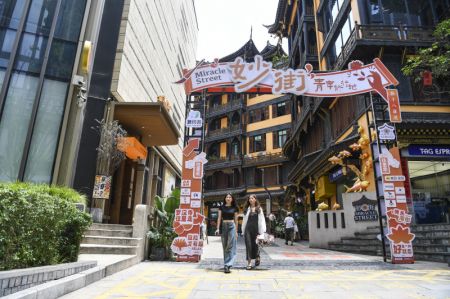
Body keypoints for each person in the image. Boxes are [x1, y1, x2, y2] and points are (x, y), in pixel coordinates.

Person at [242, 194, 266, 270]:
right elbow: (244, 221)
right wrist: (243, 231)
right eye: (249, 198)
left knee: (256, 245)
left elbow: (262, 220)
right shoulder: (247, 209)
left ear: (255, 199)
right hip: (247, 230)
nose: (250, 199)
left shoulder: (259, 209)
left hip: (256, 230)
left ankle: (257, 257)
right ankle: (249, 263)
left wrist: (262, 232)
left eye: (252, 198)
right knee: (248, 246)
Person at [215, 193, 238, 273]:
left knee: (230, 245)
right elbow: (219, 218)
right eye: (227, 197)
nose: (228, 198)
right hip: (224, 226)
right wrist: (217, 228)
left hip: (232, 226)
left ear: (232, 199)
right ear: (225, 199)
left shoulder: (235, 208)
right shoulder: (221, 207)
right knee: (225, 246)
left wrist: (236, 232)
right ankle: (226, 265)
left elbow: (236, 220)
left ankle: (228, 264)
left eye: (230, 197)